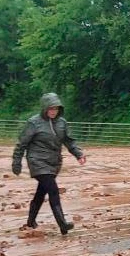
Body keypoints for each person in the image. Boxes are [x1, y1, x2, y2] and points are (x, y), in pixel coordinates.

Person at [11, 93, 85, 235]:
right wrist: (17, 162)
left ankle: (30, 222)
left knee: (41, 192)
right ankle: (62, 224)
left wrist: (78, 154)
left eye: (56, 109)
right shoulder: (34, 122)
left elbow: (69, 141)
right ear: (44, 108)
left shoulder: (62, 123)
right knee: (53, 190)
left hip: (53, 162)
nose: (53, 111)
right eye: (50, 108)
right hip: (37, 160)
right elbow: (21, 143)